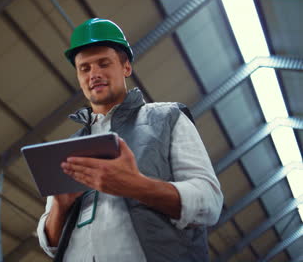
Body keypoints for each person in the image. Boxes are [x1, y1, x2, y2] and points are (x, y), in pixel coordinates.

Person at [36, 18, 223, 262]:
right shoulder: (67, 150)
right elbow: (50, 245)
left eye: (104, 64)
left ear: (126, 67)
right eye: (85, 68)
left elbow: (209, 201)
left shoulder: (167, 118)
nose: (94, 74)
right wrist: (60, 206)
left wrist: (136, 186)